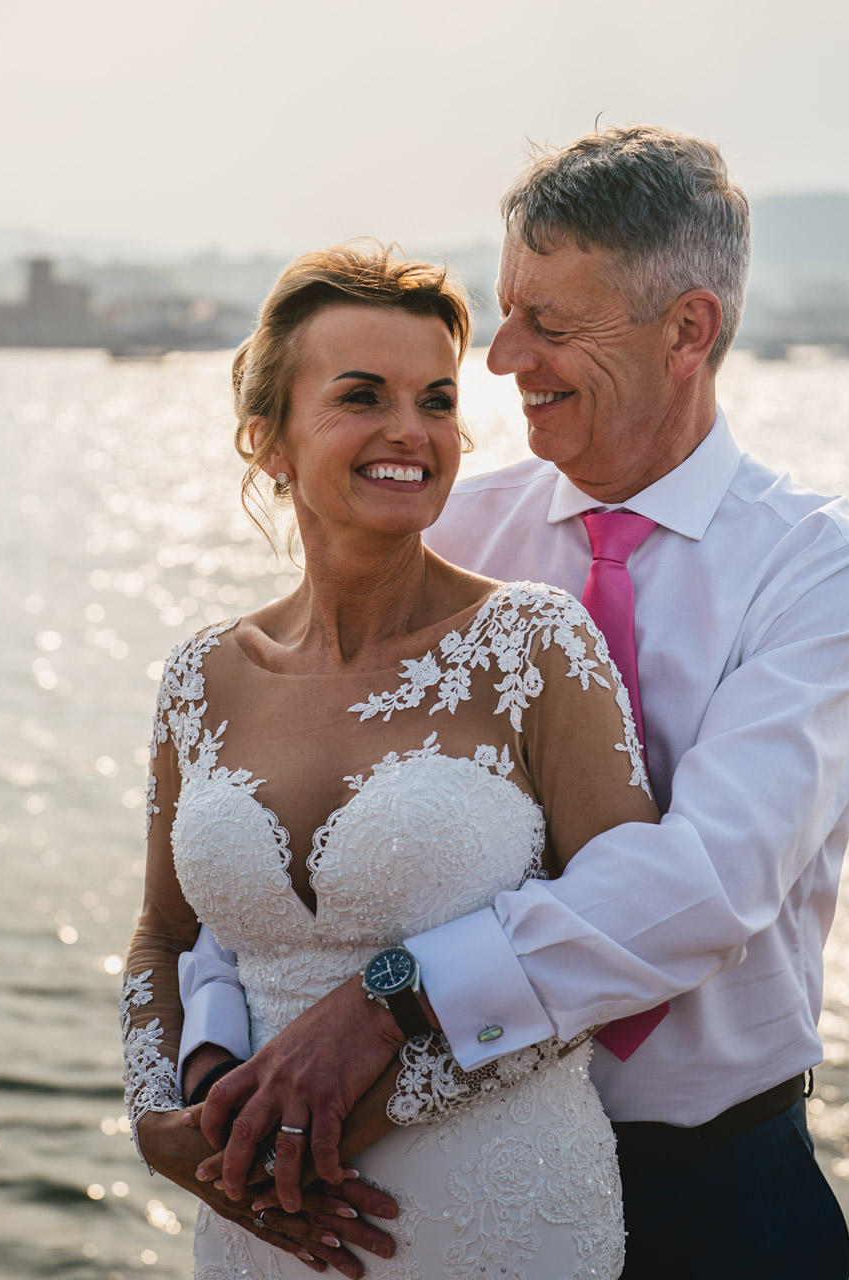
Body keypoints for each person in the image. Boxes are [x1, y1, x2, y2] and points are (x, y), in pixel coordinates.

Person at [177, 125, 849, 1278]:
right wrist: (211, 1075)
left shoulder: (819, 570)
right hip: (414, 1178)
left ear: (689, 329)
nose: (503, 355)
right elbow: (275, 825)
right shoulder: (452, 525)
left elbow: (709, 881)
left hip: (710, 1190)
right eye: (508, 310)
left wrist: (391, 1000)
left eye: (551, 322)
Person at [122, 243, 664, 1279]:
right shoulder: (201, 675)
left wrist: (356, 1101)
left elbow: (619, 930)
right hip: (257, 1224)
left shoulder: (534, 644)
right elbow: (163, 935)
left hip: (498, 1216)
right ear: (267, 437)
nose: (410, 432)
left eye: (437, 398)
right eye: (361, 396)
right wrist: (164, 1122)